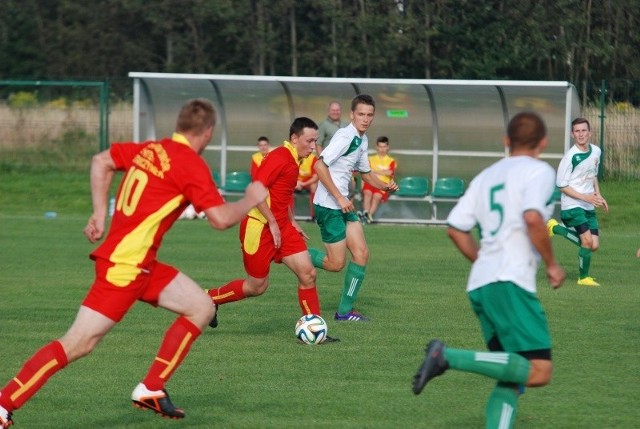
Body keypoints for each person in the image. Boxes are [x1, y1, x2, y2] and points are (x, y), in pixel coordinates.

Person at [0, 99, 267, 427]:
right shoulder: (189, 164)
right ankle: (3, 404)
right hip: (125, 268)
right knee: (79, 343)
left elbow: (101, 161)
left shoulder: (152, 149)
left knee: (201, 307)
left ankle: (150, 388)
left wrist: (99, 214)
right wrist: (251, 199)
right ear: (208, 131)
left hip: (142, 264)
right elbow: (221, 219)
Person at [412, 112, 566, 429]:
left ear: (507, 141)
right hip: (510, 282)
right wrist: (551, 264)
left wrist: (485, 259)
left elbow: (456, 228)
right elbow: (534, 218)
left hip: (481, 282)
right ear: (544, 143)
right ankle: (447, 357)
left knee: (512, 375)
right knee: (539, 370)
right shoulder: (539, 171)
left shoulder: (486, 176)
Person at [207, 117, 337, 342]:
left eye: (316, 141)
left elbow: (280, 194)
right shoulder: (279, 157)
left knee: (308, 273)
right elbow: (256, 189)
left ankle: (315, 331)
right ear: (294, 138)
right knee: (257, 287)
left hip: (282, 227)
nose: (313, 146)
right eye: (309, 140)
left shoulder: (294, 158)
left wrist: (290, 220)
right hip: (258, 229)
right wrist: (273, 223)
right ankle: (210, 299)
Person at [308, 94, 398, 322]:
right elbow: (319, 166)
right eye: (361, 114)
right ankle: (289, 252)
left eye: (369, 115)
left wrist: (385, 186)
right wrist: (339, 197)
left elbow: (366, 174)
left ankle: (344, 312)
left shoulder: (362, 139)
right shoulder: (345, 136)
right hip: (329, 206)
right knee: (335, 264)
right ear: (352, 115)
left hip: (343, 205)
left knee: (361, 254)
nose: (365, 119)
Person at [547, 117, 608, 286]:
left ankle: (555, 228)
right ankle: (583, 278)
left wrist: (598, 195)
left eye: (583, 130)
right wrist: (585, 197)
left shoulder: (596, 151)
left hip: (588, 204)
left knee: (593, 245)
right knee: (587, 242)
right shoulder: (570, 158)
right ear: (572, 134)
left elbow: (592, 175)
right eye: (577, 131)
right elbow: (561, 186)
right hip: (572, 205)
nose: (581, 134)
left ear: (590, 133)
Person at [360, 136, 397, 223]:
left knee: (376, 197)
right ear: (377, 147)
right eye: (380, 147)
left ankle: (368, 216)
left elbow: (389, 172)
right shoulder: (370, 159)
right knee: (367, 194)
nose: (382, 149)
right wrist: (382, 171)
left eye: (384, 147)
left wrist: (374, 171)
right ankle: (366, 214)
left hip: (383, 185)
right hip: (370, 182)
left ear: (388, 147)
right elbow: (365, 172)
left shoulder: (391, 160)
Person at [295, 150, 319, 220]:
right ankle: (288, 217)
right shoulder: (295, 156)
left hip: (306, 183)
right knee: (286, 185)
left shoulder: (313, 158)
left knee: (314, 186)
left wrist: (303, 184)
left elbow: (315, 177)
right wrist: (295, 182)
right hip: (295, 182)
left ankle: (313, 216)